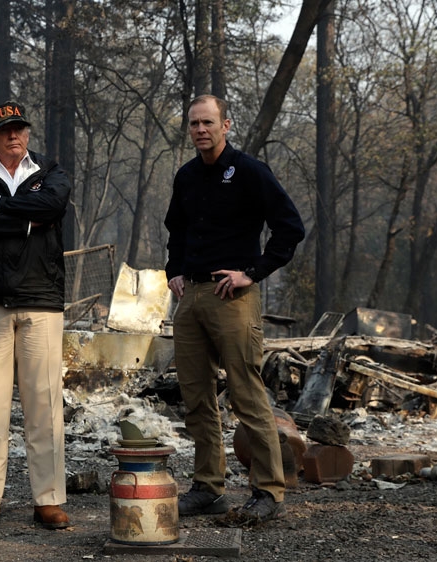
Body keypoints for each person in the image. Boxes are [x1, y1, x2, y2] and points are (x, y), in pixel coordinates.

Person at [164, 95, 305, 523]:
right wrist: (174, 270)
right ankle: (208, 488)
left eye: (208, 122)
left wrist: (253, 272)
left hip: (233, 298)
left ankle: (268, 492)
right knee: (196, 398)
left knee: (246, 394)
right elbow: (176, 229)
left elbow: (289, 227)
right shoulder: (187, 176)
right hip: (191, 299)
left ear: (226, 125)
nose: (200, 130)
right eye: (193, 124)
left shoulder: (248, 171)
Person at [0, 101, 72, 534]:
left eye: (19, 129)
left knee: (44, 405)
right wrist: (25, 219)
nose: (13, 137)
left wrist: (2, 208)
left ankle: (49, 499)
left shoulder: (51, 173)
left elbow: (53, 206)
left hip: (41, 298)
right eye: (4, 131)